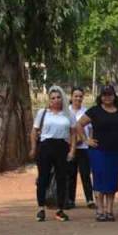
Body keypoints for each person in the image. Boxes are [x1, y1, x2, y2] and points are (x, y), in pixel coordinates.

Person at [75, 85, 118, 221]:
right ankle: (100, 209)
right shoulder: (95, 111)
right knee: (99, 178)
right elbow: (79, 124)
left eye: (110, 94)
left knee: (112, 180)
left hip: (117, 151)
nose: (107, 97)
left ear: (114, 95)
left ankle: (109, 210)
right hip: (99, 151)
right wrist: (86, 140)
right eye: (104, 95)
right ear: (100, 97)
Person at [32, 85, 76, 222]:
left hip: (62, 147)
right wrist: (33, 148)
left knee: (62, 178)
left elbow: (73, 133)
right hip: (45, 146)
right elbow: (34, 132)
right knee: (43, 178)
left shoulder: (68, 114)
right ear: (49, 100)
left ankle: (60, 209)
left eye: (58, 97)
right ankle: (41, 208)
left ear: (62, 98)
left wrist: (72, 150)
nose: (56, 100)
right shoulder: (42, 113)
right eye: (53, 98)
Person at [67, 87, 93, 210]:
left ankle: (89, 199)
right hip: (70, 148)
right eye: (75, 96)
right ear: (71, 97)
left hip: (84, 148)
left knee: (85, 174)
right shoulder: (66, 112)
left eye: (80, 96)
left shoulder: (87, 111)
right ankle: (70, 199)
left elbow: (91, 129)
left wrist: (89, 141)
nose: (78, 98)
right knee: (71, 174)